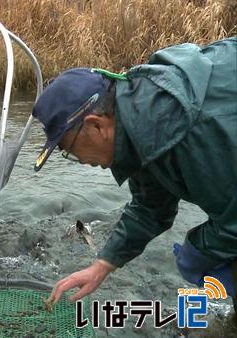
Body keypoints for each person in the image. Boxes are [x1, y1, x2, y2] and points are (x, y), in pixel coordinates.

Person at [28, 38, 236, 308]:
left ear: (96, 126)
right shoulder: (142, 126)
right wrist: (101, 266)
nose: (78, 160)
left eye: (69, 149)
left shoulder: (197, 130)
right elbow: (151, 207)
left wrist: (199, 249)